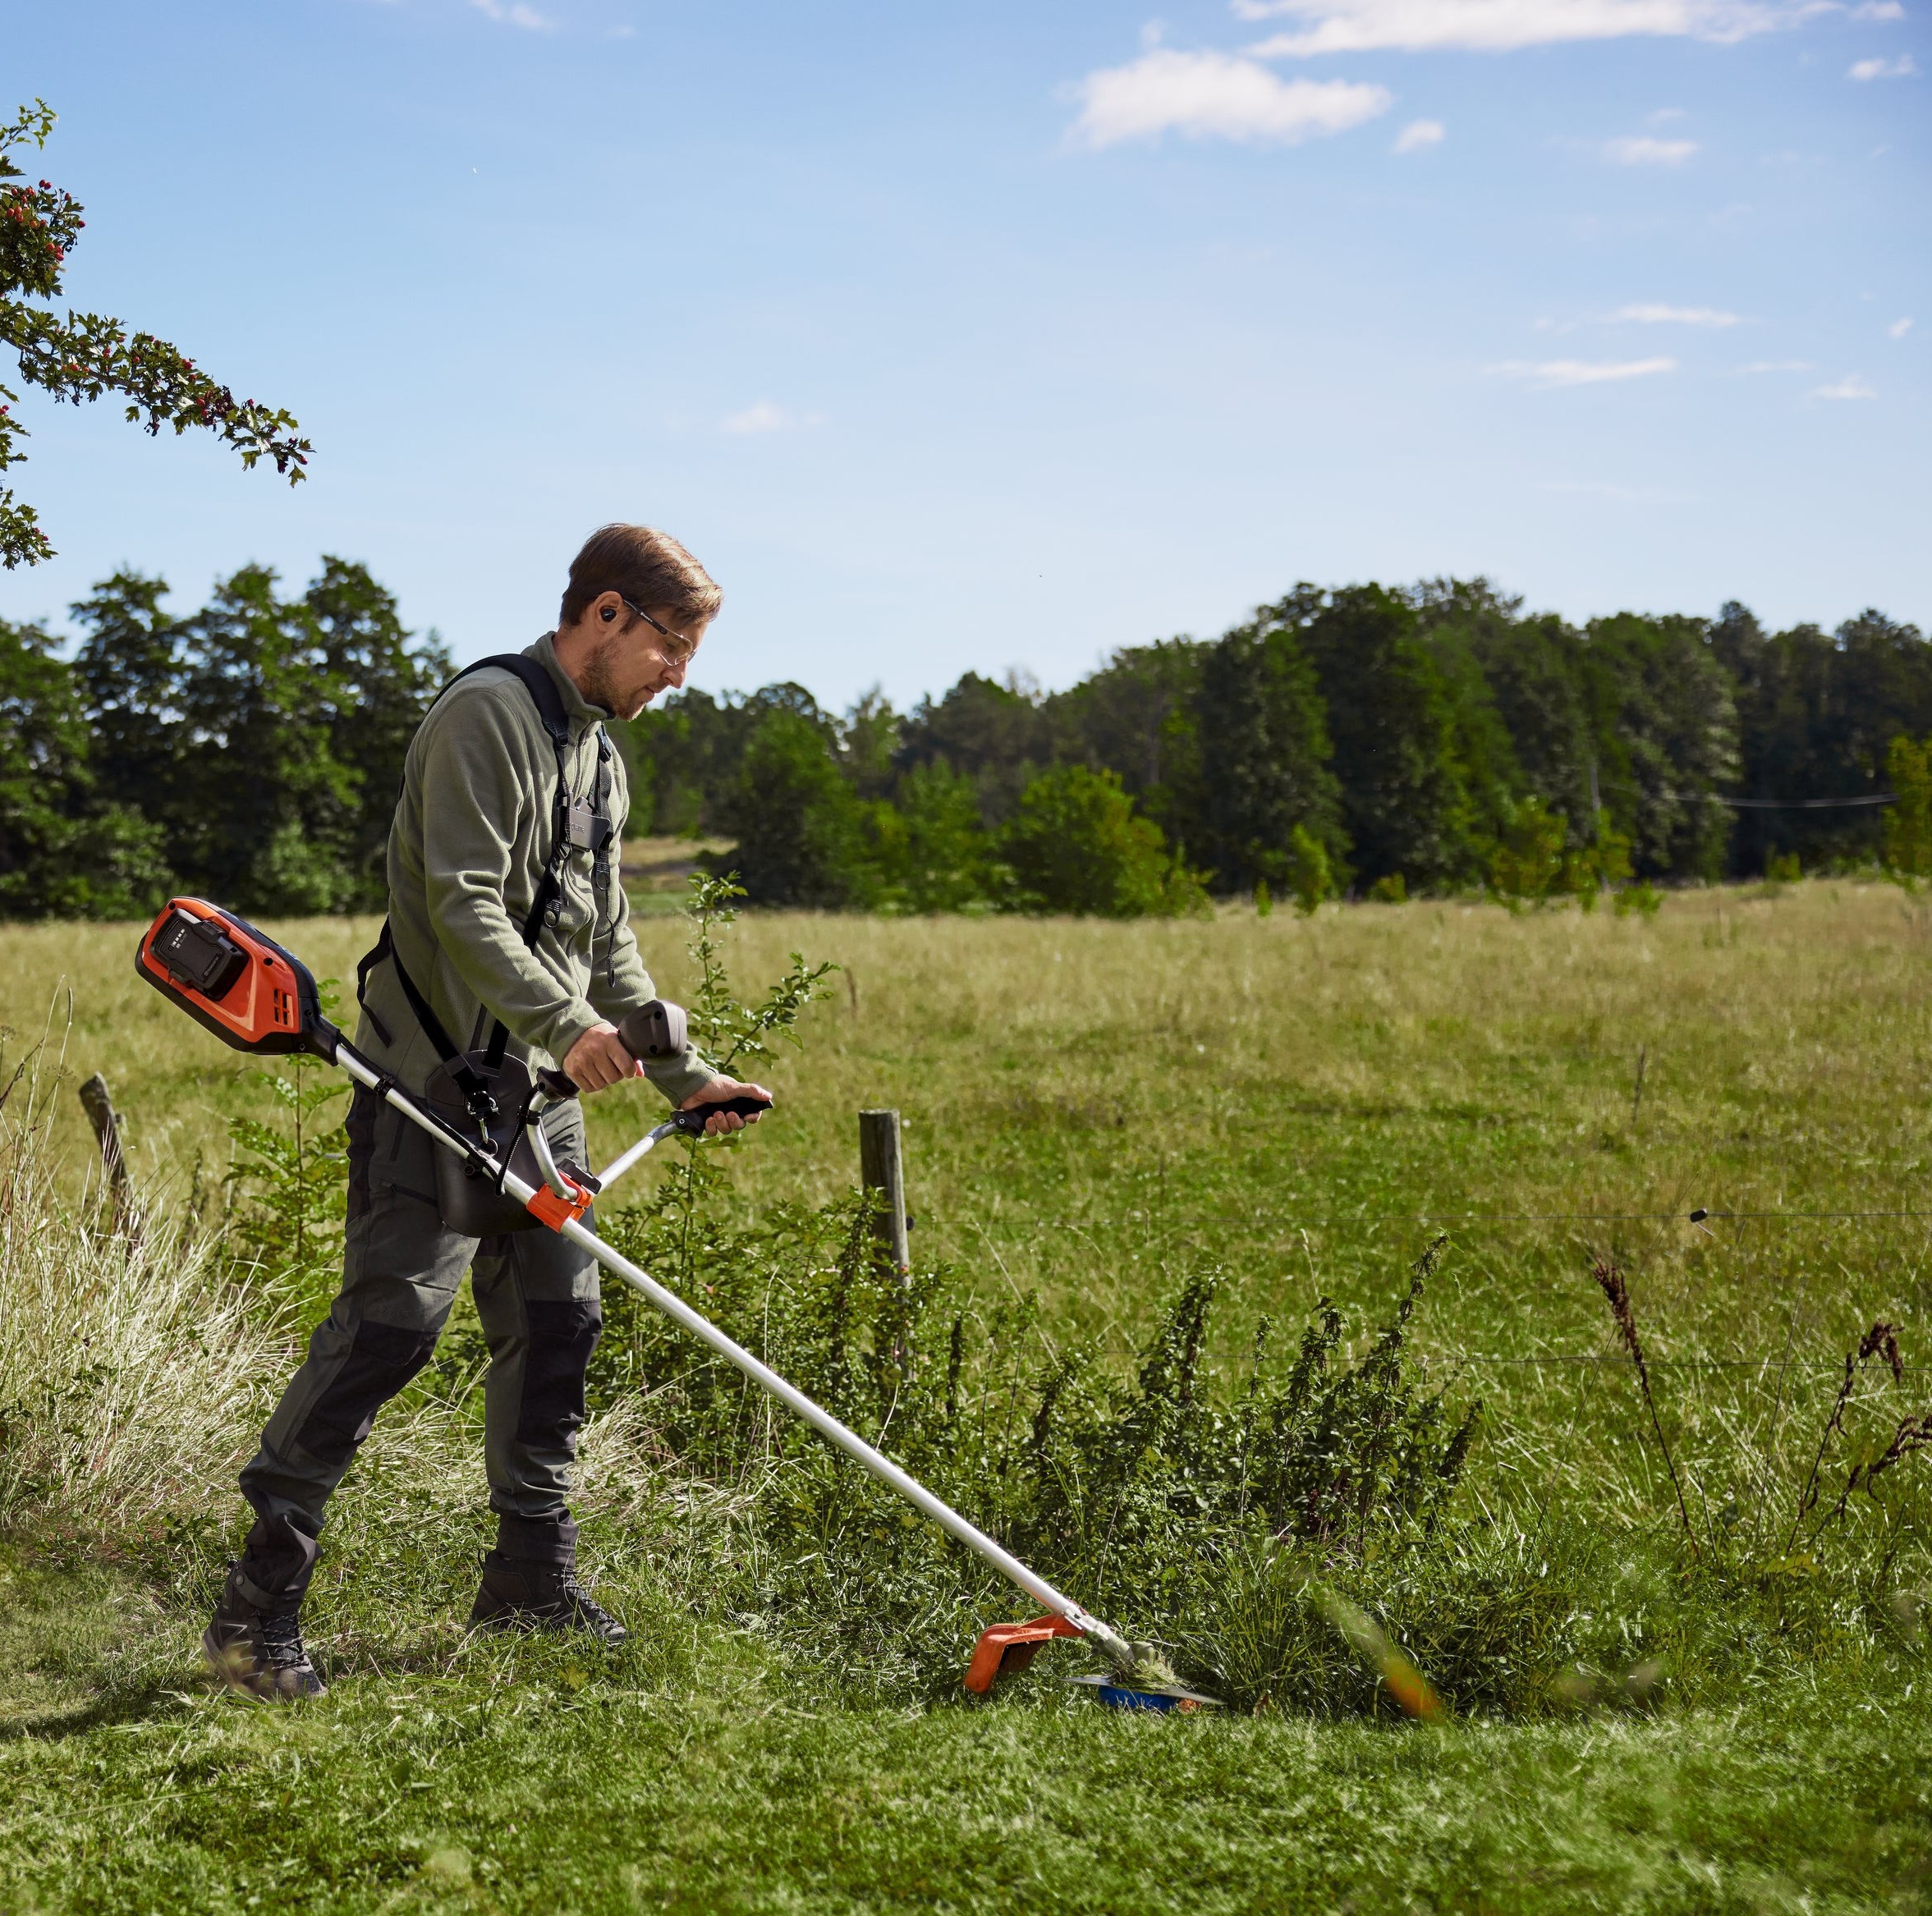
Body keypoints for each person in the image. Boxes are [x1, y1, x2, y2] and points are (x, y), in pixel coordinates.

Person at [204, 524, 769, 1700]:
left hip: (539, 1102)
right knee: (390, 1332)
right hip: (431, 1087)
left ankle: (528, 1583)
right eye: (670, 645)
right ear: (603, 615)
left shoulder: (599, 757)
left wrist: (685, 1072)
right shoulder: (487, 715)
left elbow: (602, 936)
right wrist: (570, 1027)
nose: (678, 674)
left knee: (559, 1323)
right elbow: (462, 903)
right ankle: (256, 1612)